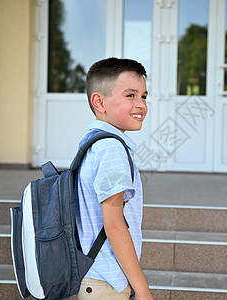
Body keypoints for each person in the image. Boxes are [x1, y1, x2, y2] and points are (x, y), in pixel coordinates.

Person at [75, 57, 154, 300]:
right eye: (130, 95)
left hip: (96, 276)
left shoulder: (92, 142)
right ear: (99, 101)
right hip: (107, 283)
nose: (140, 104)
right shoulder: (111, 149)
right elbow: (114, 225)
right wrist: (142, 289)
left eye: (143, 96)